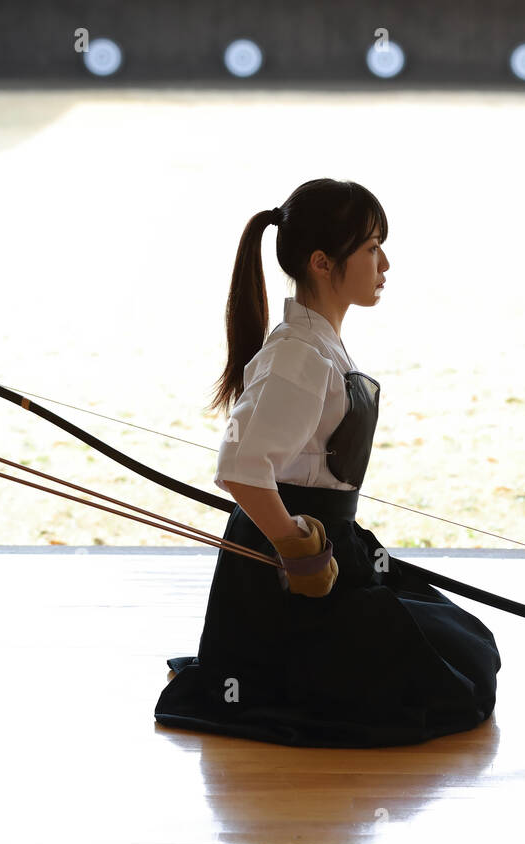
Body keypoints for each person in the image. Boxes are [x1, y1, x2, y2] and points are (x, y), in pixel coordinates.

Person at [154, 178, 501, 747]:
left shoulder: (316, 345)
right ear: (321, 262)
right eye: (369, 249)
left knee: (464, 646)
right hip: (292, 572)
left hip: (324, 551)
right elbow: (240, 467)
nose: (384, 263)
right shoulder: (297, 356)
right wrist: (295, 546)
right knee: (443, 683)